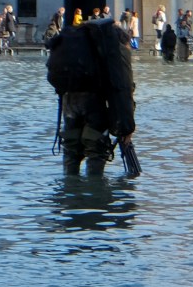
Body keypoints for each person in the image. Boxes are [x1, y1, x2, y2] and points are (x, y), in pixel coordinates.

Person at [46, 11, 137, 176]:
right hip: (95, 103)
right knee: (96, 149)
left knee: (71, 150)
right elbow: (124, 89)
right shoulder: (115, 50)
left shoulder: (85, 46)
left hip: (69, 101)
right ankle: (95, 196)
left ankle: (70, 193)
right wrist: (127, 127)